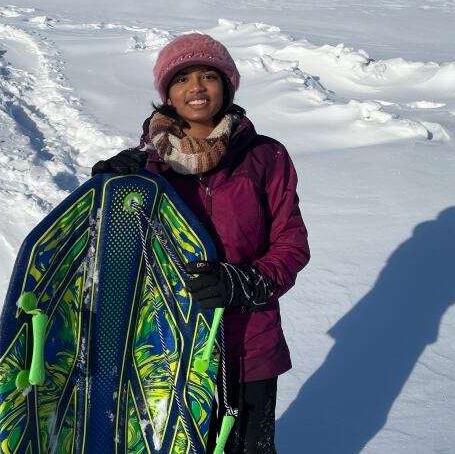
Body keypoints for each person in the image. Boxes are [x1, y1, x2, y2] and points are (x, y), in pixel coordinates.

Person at [92, 33, 310, 454]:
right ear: (167, 94)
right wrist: (106, 191)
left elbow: (292, 244)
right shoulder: (144, 167)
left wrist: (244, 282)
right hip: (167, 344)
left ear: (227, 85)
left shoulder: (266, 156)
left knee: (249, 448)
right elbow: (113, 256)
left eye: (209, 75)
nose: (196, 88)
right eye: (182, 78)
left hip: (249, 340)